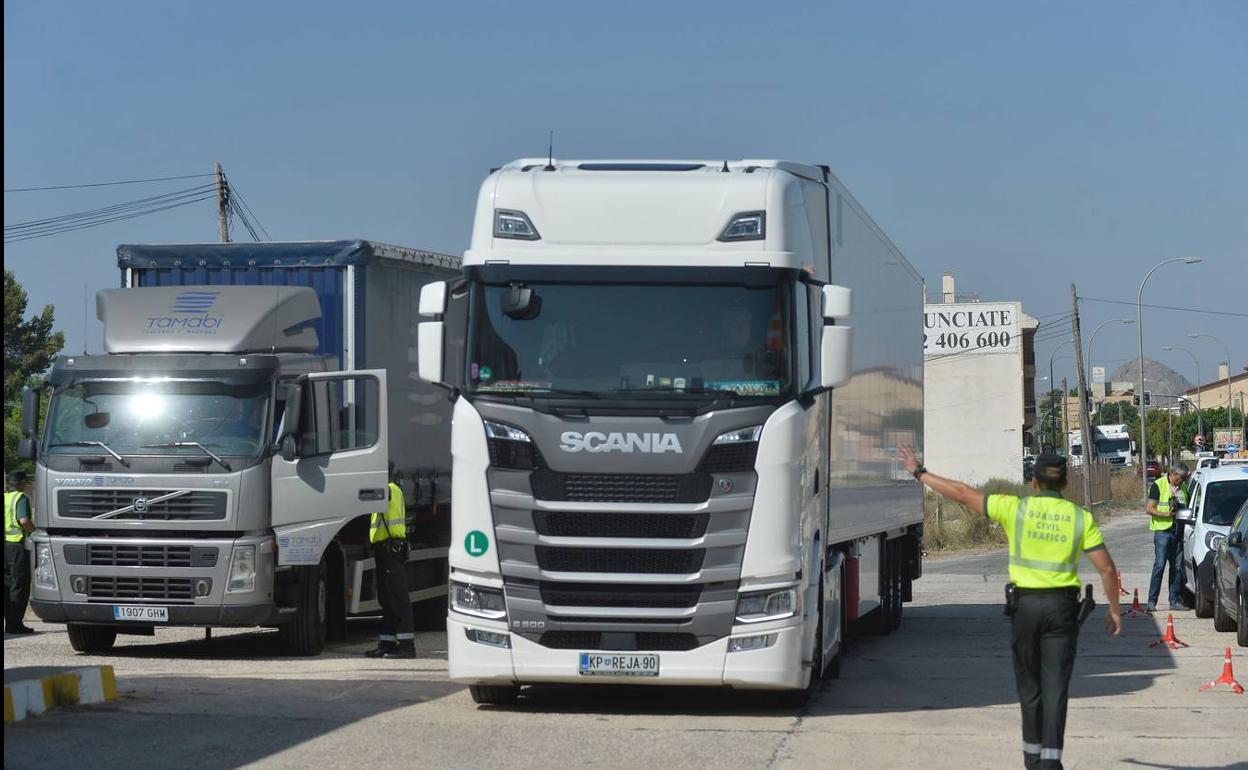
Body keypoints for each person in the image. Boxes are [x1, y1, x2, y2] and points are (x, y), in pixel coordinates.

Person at [898, 447, 1121, 770]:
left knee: (1029, 687)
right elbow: (1107, 570)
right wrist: (1114, 610)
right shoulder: (1080, 518)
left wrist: (919, 472)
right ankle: (1051, 761)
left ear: (1033, 481)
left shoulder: (1014, 508)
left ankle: (1032, 759)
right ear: (1065, 483)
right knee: (1055, 687)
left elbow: (961, 494)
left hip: (1025, 608)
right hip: (1062, 611)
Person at [365, 466, 415, 659]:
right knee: (386, 599)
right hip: (385, 550)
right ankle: (387, 643)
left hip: (390, 550)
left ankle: (406, 646)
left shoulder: (389, 489)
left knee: (397, 598)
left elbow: (365, 498)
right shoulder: (391, 488)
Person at [1146, 465, 1190, 612]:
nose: (1182, 481)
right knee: (1159, 566)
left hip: (1178, 531)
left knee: (1177, 568)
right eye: (1180, 478)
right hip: (1162, 532)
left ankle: (1174, 601)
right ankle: (1152, 602)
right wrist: (1166, 515)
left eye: (1184, 479)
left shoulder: (1183, 487)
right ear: (1174, 474)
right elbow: (1149, 508)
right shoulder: (1158, 485)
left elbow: (1187, 507)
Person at [5, 471, 37, 635]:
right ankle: (14, 624)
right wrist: (35, 532)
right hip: (17, 546)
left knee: (7, 585)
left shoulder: (5, 497)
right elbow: (24, 520)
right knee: (19, 584)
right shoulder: (20, 498)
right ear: (22, 482)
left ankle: (8, 622)